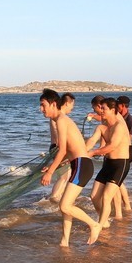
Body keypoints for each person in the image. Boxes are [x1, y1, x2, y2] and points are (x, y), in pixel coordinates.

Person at [39, 89, 102, 247]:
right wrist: (52, 166)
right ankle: (65, 241)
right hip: (78, 164)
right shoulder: (61, 119)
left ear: (53, 104)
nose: (41, 109)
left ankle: (94, 224)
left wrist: (51, 172)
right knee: (66, 206)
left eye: (43, 105)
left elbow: (62, 150)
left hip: (82, 164)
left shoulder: (60, 120)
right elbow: (67, 151)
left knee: (65, 205)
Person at [86, 98, 132, 230]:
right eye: (100, 108)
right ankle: (104, 221)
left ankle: (99, 226)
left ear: (112, 110)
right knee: (94, 196)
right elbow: (91, 141)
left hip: (120, 164)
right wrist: (82, 152)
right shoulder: (101, 127)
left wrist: (93, 153)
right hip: (108, 164)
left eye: (104, 109)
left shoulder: (119, 126)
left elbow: (112, 146)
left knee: (106, 197)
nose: (101, 111)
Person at [48, 93, 76, 203]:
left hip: (57, 148)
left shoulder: (60, 117)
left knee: (66, 175)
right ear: (67, 103)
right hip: (57, 148)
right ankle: (54, 198)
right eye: (72, 105)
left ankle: (59, 197)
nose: (72, 108)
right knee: (64, 176)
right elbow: (58, 136)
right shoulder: (58, 118)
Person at [115, 95, 132, 213]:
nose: (116, 108)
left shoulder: (129, 119)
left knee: (119, 181)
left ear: (122, 106)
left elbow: (129, 138)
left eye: (118, 105)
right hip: (118, 151)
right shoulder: (118, 117)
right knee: (118, 181)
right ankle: (125, 205)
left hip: (125, 151)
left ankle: (127, 205)